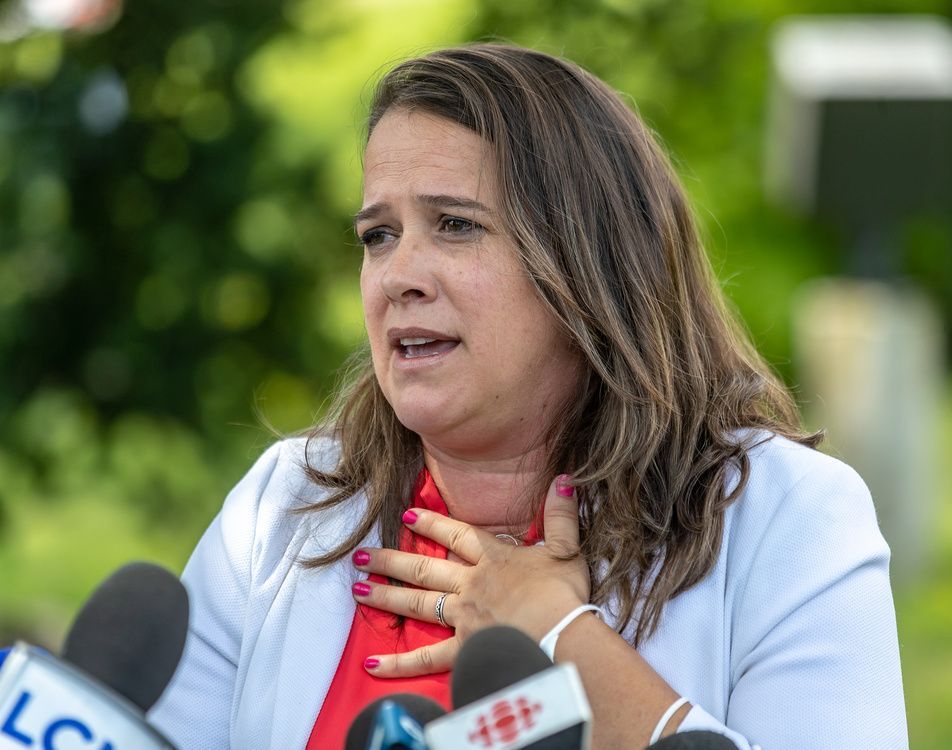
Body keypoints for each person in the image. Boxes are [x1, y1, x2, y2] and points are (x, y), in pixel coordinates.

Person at [148, 44, 908, 750]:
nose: (399, 274)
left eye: (454, 225)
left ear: (587, 266)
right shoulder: (286, 508)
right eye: (379, 235)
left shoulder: (787, 517)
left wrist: (557, 636)